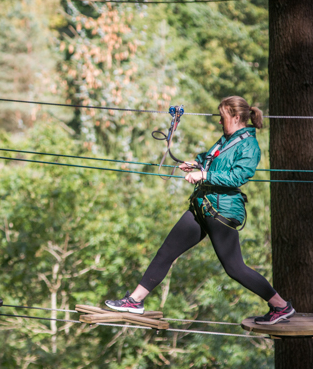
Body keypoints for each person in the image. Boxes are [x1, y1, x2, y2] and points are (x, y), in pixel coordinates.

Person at [105, 96, 295, 325]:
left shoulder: (249, 145)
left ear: (236, 118)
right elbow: (211, 159)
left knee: (235, 268)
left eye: (222, 117)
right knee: (166, 251)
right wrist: (196, 164)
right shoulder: (226, 139)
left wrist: (204, 175)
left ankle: (280, 305)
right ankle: (135, 301)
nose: (218, 122)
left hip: (221, 210)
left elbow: (238, 176)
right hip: (202, 205)